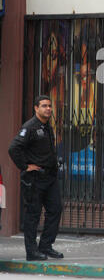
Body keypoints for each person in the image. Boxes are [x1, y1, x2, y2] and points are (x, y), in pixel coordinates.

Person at [8, 95, 63, 261]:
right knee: (33, 214)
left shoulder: (47, 126)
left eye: (49, 106)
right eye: (44, 106)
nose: (48, 109)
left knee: (55, 209)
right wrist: (25, 166)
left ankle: (45, 245)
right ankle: (32, 252)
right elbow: (14, 148)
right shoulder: (30, 127)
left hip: (50, 177)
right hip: (34, 178)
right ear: (36, 108)